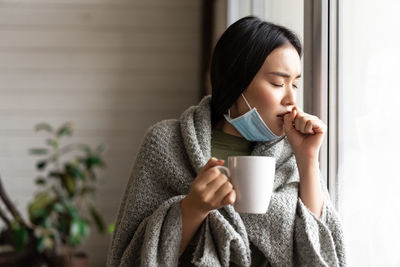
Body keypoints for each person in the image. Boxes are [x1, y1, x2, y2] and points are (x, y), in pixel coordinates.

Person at [107, 16, 347, 267]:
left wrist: (308, 159)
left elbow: (323, 254)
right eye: (278, 83)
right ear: (236, 82)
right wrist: (192, 209)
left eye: (295, 84)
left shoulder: (292, 154)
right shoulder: (167, 143)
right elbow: (129, 255)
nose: (291, 99)